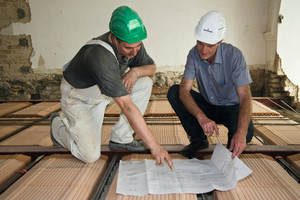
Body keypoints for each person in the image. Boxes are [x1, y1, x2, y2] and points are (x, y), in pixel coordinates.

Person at [50, 6, 174, 169]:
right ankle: (56, 126)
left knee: (144, 82)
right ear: (115, 38)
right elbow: (127, 107)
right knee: (89, 156)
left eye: (138, 46)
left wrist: (136, 71)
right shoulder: (100, 57)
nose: (135, 52)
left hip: (104, 91)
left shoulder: (131, 42)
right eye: (129, 48)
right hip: (80, 99)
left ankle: (121, 138)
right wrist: (154, 146)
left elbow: (151, 68)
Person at [167, 11, 254, 159]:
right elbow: (184, 90)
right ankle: (198, 139)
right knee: (174, 92)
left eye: (210, 45)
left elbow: (245, 96)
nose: (203, 50)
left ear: (220, 42)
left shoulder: (234, 56)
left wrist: (241, 133)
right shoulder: (193, 54)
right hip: (207, 105)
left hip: (231, 109)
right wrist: (201, 116)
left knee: (245, 134)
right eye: (200, 43)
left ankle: (231, 149)